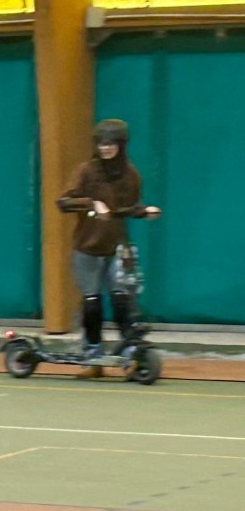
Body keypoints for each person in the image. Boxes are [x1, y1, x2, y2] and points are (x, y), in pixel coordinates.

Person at [55, 118, 161, 369]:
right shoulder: (86, 171)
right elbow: (63, 202)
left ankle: (130, 349)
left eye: (111, 144)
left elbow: (127, 208)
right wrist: (91, 203)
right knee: (92, 304)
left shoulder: (130, 175)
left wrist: (144, 211)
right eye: (101, 144)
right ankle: (92, 351)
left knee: (121, 300)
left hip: (114, 247)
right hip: (87, 248)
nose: (105, 148)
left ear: (121, 146)